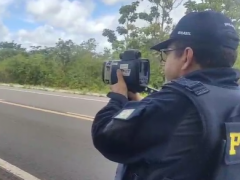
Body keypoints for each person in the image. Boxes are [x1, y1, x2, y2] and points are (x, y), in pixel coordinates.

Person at [91, 10, 240, 180]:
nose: (165, 60)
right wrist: (145, 106)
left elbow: (106, 137)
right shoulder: (233, 97)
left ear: (186, 56)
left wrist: (118, 97)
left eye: (167, 52)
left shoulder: (179, 101)